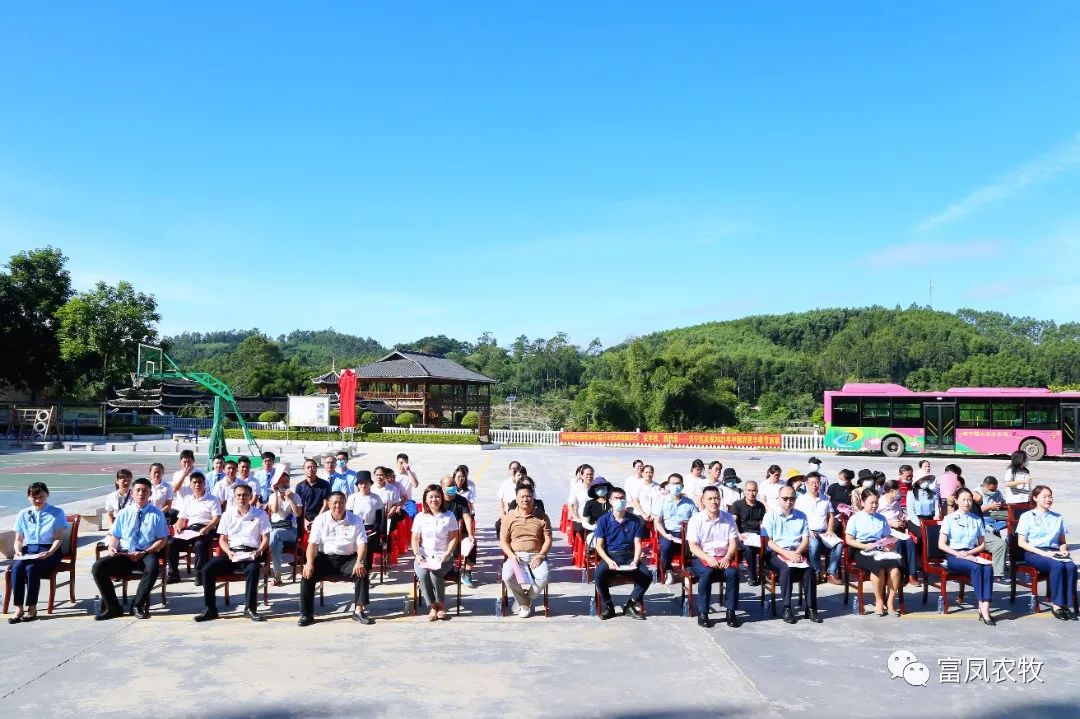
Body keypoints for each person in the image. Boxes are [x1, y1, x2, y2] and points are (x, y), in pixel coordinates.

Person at [91, 477, 169, 620]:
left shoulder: (157, 514)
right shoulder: (123, 513)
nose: (141, 493)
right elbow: (115, 535)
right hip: (125, 554)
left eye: (145, 491)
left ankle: (137, 605)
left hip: (145, 552)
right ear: (132, 493)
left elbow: (163, 540)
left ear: (150, 494)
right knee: (98, 567)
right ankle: (113, 607)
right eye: (138, 490)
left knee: (152, 567)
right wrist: (112, 547)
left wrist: (145, 552)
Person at [195, 483, 270, 622]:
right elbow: (222, 539)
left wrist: (259, 551)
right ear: (234, 497)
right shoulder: (227, 514)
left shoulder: (260, 514)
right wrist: (228, 552)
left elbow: (266, 538)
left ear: (250, 496)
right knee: (207, 569)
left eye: (245, 495)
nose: (242, 498)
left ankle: (250, 609)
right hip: (232, 553)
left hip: (250, 554)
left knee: (253, 570)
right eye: (239, 495)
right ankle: (210, 609)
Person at [297, 491, 373, 626]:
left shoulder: (355, 520)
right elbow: (312, 544)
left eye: (341, 502)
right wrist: (308, 563)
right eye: (335, 503)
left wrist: (359, 561)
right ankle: (306, 614)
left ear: (346, 503)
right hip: (326, 558)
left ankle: (359, 611)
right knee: (307, 574)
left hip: (349, 559)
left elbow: (362, 544)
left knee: (362, 569)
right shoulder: (320, 519)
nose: (338, 506)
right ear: (329, 504)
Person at [8, 482, 69, 623]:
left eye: (41, 496)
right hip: (29, 550)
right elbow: (18, 539)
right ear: (28, 497)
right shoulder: (23, 514)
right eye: (34, 497)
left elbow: (58, 538)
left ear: (47, 495)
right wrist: (17, 552)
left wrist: (50, 552)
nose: (38, 500)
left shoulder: (57, 512)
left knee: (31, 568)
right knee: (16, 568)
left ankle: (32, 607)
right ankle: (18, 607)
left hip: (49, 550)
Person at [1016, 485, 1077, 620]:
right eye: (1044, 497)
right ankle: (1057, 605)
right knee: (1057, 566)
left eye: (1050, 496)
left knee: (1071, 567)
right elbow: (1022, 543)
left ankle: (1066, 604)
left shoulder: (1057, 517)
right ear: (1035, 498)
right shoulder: (1027, 516)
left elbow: (1062, 541)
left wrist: (1063, 550)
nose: (1048, 499)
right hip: (1035, 552)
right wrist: (1043, 553)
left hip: (1054, 552)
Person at [762, 487, 821, 623]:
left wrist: (797, 553)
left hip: (796, 552)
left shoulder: (801, 515)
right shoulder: (770, 515)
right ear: (778, 499)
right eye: (785, 498)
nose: (789, 501)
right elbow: (768, 541)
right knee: (786, 569)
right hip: (776, 553)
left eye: (792, 498)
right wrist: (786, 554)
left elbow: (805, 539)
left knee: (810, 570)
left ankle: (811, 608)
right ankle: (787, 607)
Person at [939, 487, 996, 625]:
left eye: (969, 500)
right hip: (954, 555)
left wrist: (969, 553)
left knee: (988, 568)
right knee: (977, 567)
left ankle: (985, 605)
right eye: (963, 499)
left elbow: (982, 545)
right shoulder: (949, 519)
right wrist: (959, 554)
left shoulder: (976, 519)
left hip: (971, 554)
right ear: (957, 501)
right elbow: (941, 545)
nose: (967, 503)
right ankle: (982, 606)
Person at [686, 486, 741, 628]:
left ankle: (731, 612)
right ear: (703, 501)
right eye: (710, 498)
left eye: (716, 498)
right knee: (707, 572)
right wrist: (707, 558)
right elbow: (692, 546)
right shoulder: (696, 519)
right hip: (703, 557)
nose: (713, 501)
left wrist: (728, 557)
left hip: (723, 557)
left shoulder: (728, 518)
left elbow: (733, 542)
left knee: (733, 573)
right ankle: (703, 613)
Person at [593, 487, 651, 620]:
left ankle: (630, 604)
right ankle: (609, 606)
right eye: (616, 498)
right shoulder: (603, 520)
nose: (619, 501)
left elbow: (637, 544)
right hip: (612, 556)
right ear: (610, 501)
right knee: (598, 575)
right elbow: (599, 546)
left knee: (647, 575)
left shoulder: (635, 520)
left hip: (630, 555)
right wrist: (608, 561)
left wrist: (635, 561)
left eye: (622, 498)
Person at [844, 488, 903, 616]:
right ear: (863, 502)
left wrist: (889, 544)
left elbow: (887, 536)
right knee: (878, 568)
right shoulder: (855, 518)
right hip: (861, 549)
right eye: (871, 503)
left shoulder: (881, 518)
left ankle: (891, 601)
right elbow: (848, 540)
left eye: (876, 503)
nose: (875, 506)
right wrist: (863, 546)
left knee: (895, 568)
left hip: (879, 548)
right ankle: (879, 601)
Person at [499, 484, 553, 618]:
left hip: (536, 555)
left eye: (528, 496)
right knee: (507, 576)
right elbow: (503, 541)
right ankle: (523, 603)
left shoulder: (542, 516)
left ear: (533, 498)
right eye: (522, 496)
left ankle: (525, 600)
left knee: (544, 577)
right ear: (516, 499)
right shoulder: (509, 517)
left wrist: (541, 555)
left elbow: (548, 539)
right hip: (516, 556)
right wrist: (511, 556)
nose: (525, 499)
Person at [411, 484, 460, 621]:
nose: (434, 499)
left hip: (443, 556)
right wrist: (417, 554)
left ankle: (441, 605)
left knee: (435, 572)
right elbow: (415, 538)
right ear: (425, 500)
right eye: (431, 497)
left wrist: (447, 554)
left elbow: (454, 538)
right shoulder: (420, 517)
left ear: (442, 498)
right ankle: (433, 606)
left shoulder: (449, 516)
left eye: (437, 496)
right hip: (424, 556)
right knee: (422, 573)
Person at [166, 471, 222, 584]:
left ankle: (199, 574)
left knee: (200, 545)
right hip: (191, 529)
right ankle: (173, 574)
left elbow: (217, 518)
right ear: (191, 485)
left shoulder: (212, 499)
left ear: (204, 483)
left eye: (200, 482)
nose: (197, 485)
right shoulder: (188, 499)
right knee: (171, 543)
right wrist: (178, 526)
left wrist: (207, 528)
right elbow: (182, 518)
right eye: (194, 482)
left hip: (207, 529)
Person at [796, 472, 843, 585]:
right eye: (811, 483)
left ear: (820, 484)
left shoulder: (825, 499)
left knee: (839, 544)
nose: (814, 486)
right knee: (814, 544)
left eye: (817, 483)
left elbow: (831, 515)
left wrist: (830, 529)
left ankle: (831, 572)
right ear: (806, 484)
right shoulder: (801, 500)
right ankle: (816, 572)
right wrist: (807, 530)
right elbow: (797, 518)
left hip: (824, 532)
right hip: (808, 533)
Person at [653, 473, 697, 585]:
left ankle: (688, 570)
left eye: (678, 484)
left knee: (691, 544)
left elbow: (696, 521)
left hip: (686, 532)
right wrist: (665, 534)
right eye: (673, 484)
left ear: (682, 486)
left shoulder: (689, 502)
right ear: (668, 485)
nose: (676, 486)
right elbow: (657, 521)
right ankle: (669, 570)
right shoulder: (662, 500)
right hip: (669, 532)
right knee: (666, 546)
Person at [879, 480, 919, 586]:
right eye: (899, 490)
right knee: (898, 544)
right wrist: (890, 523)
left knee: (910, 542)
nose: (900, 493)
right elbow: (874, 520)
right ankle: (899, 573)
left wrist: (904, 520)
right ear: (891, 491)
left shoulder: (896, 503)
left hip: (897, 531)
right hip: (885, 532)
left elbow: (901, 515)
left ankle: (912, 574)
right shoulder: (879, 502)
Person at [266, 472, 302, 586]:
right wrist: (277, 494)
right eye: (282, 481)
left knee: (275, 534)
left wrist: (289, 499)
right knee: (277, 546)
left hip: (291, 530)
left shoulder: (295, 496)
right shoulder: (272, 496)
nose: (285, 484)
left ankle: (262, 556)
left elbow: (298, 513)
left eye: (287, 481)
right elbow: (275, 510)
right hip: (276, 529)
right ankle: (277, 577)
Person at [442, 475, 478, 587]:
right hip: (442, 533)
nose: (452, 488)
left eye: (453, 485)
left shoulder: (461, 500)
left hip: (458, 533)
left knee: (471, 543)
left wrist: (471, 534)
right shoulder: (438, 500)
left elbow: (467, 517)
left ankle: (467, 572)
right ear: (442, 487)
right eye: (449, 486)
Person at [731, 480, 767, 586]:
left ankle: (766, 571)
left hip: (756, 535)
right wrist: (738, 534)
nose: (751, 493)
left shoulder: (760, 506)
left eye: (754, 491)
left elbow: (763, 523)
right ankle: (753, 575)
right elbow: (733, 522)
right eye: (749, 490)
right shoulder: (737, 505)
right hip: (743, 534)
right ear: (745, 491)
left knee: (769, 546)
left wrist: (764, 536)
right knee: (748, 548)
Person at [295, 458, 332, 533]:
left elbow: (326, 505)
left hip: (321, 516)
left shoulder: (325, 485)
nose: (310, 469)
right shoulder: (300, 486)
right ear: (304, 470)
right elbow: (300, 506)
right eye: (308, 467)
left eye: (313, 467)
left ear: (316, 469)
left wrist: (317, 520)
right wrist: (305, 520)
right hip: (304, 518)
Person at [580, 479, 613, 546]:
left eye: (603, 487)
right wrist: (594, 527)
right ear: (594, 490)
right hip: (595, 531)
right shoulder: (590, 503)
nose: (601, 489)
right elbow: (585, 522)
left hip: (612, 530)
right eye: (598, 488)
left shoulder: (613, 502)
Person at [567, 464, 596, 537]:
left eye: (591, 474)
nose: (589, 476)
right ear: (582, 476)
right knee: (583, 530)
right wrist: (576, 518)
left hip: (594, 519)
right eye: (587, 474)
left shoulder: (596, 488)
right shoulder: (576, 489)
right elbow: (570, 505)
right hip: (581, 518)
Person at [372, 466, 404, 530]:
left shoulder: (392, 489)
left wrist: (388, 516)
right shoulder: (371, 488)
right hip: (373, 518)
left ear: (385, 476)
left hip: (388, 516)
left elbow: (395, 504)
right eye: (377, 475)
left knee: (386, 534)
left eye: (381, 475)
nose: (379, 477)